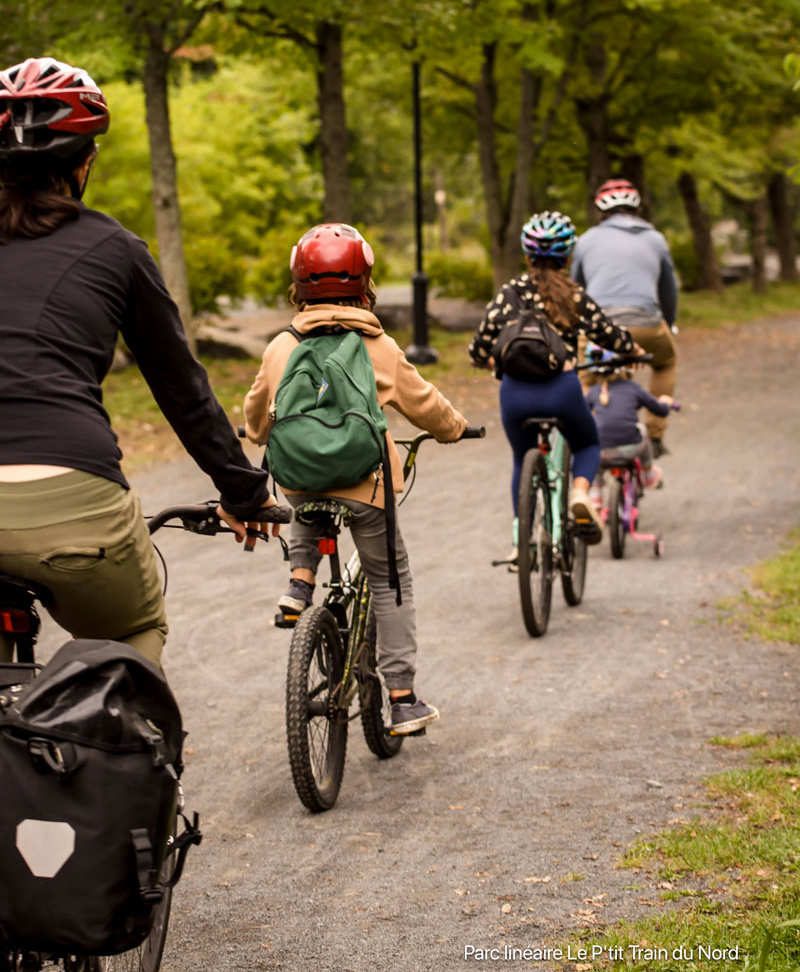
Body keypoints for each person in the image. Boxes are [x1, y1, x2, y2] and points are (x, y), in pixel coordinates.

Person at [0, 56, 280, 668]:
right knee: (131, 633)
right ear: (84, 162)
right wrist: (244, 491)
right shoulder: (115, 250)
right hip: (69, 501)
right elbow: (182, 389)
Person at [243, 222, 466, 735]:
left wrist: (256, 433)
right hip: (366, 487)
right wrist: (452, 430)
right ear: (365, 285)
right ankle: (403, 696)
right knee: (390, 579)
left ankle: (300, 582)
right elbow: (426, 406)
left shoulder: (282, 346)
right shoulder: (378, 346)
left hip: (298, 485)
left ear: (298, 286)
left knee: (303, 486)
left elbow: (258, 417)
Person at [468, 210, 638, 555]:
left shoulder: (509, 294)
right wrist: (633, 348)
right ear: (567, 255)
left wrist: (484, 357)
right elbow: (608, 334)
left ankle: (521, 541)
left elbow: (479, 346)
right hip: (562, 390)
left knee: (521, 459)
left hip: (514, 393)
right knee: (588, 444)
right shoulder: (573, 295)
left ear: (527, 254)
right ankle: (578, 493)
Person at [570, 179, 678, 457]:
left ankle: (583, 438)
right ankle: (654, 435)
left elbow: (576, 289)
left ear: (599, 210)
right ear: (637, 208)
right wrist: (670, 321)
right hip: (646, 323)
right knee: (666, 362)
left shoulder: (586, 240)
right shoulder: (656, 239)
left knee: (586, 376)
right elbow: (668, 289)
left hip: (597, 326)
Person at [583, 344, 673, 496]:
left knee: (595, 460)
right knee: (643, 431)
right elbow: (660, 410)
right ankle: (649, 474)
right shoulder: (632, 388)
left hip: (601, 452)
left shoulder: (593, 392)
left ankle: (595, 496)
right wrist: (666, 403)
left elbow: (583, 416)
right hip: (630, 449)